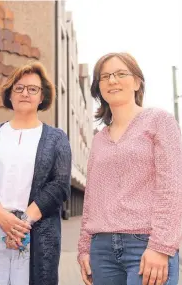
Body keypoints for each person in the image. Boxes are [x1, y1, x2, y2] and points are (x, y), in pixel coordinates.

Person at [78, 52, 182, 285]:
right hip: (101, 250)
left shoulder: (159, 121)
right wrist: (84, 248)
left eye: (120, 73)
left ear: (137, 82)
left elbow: (172, 187)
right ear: (99, 88)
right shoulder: (98, 139)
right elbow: (92, 197)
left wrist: (161, 246)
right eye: (105, 76)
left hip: (146, 245)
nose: (112, 80)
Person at [0, 61, 72, 285]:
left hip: (36, 233)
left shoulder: (57, 138)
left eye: (33, 89)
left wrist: (21, 225)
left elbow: (60, 185)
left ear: (42, 97)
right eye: (19, 88)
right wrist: (3, 218)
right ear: (10, 94)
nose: (25, 93)